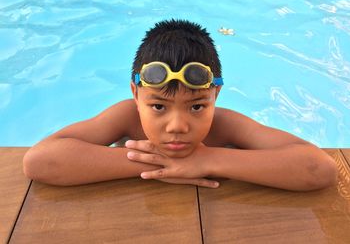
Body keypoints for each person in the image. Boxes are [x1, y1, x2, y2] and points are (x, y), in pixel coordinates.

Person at [23, 19, 337, 191]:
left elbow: (318, 168)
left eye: (197, 106)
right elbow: (39, 162)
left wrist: (208, 159)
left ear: (215, 96)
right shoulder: (125, 116)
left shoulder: (227, 125)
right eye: (159, 106)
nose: (177, 126)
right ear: (136, 94)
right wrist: (158, 165)